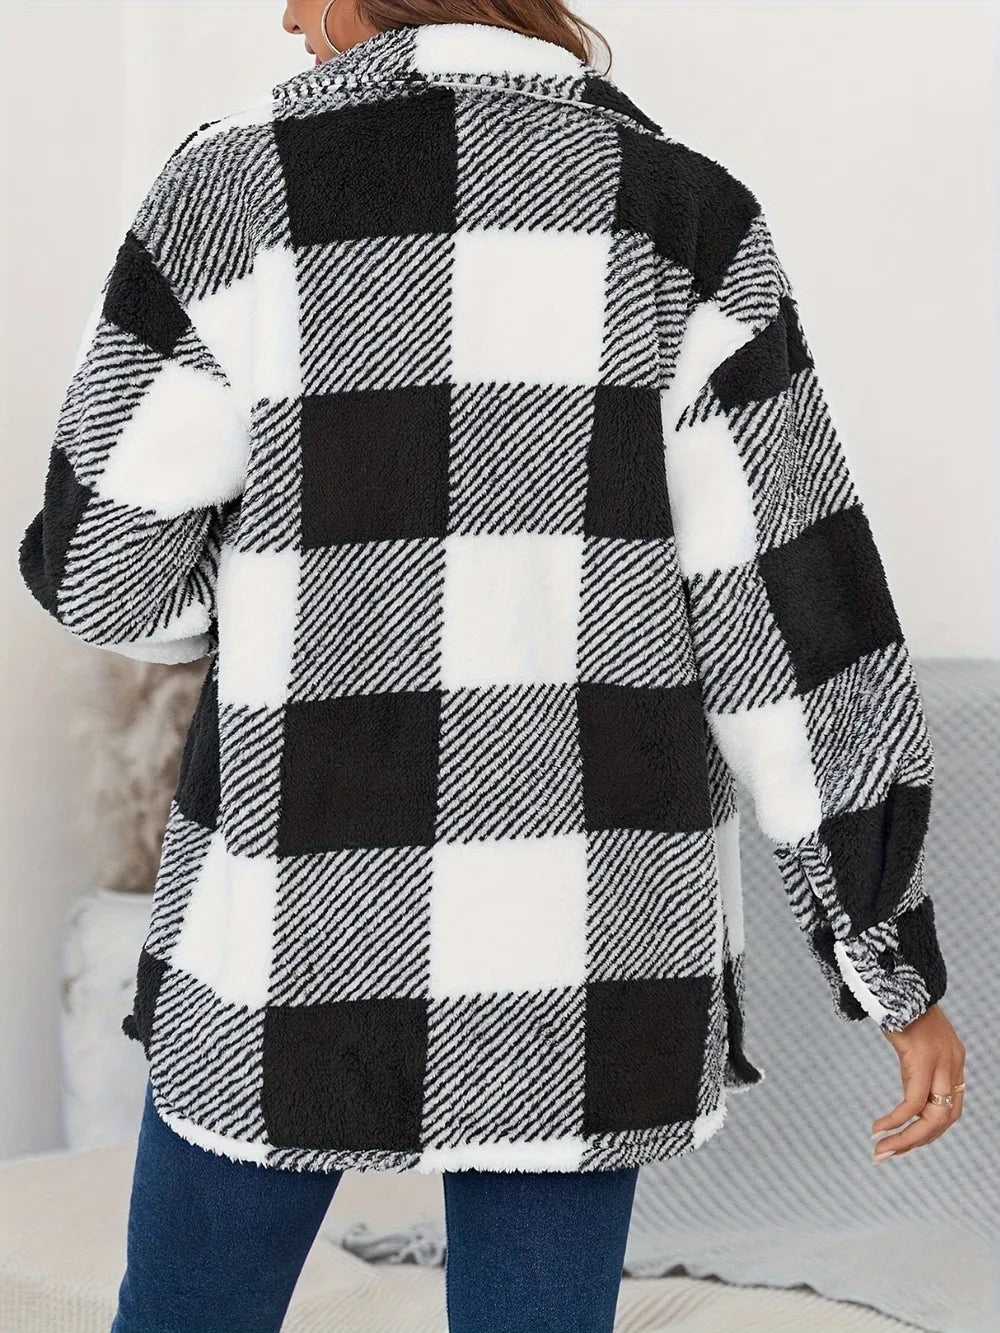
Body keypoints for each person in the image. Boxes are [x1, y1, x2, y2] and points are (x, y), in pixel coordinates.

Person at [16, 1, 966, 1329]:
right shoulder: (685, 216)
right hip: (591, 941)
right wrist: (885, 956)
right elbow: (796, 617)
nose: (287, 15)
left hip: (290, 912)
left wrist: (285, 580)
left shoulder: (231, 194)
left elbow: (100, 574)